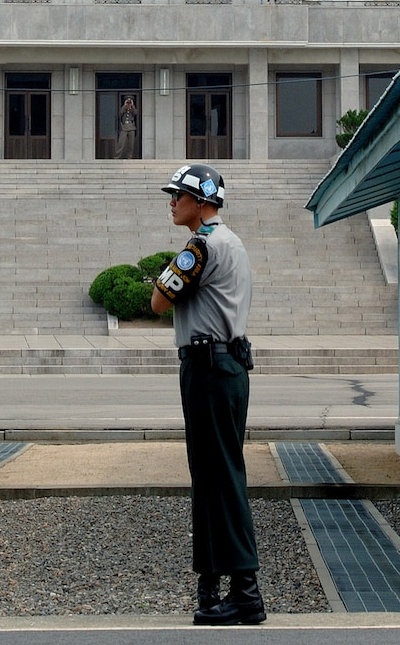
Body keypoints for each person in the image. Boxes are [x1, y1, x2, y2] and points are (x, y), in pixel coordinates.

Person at [149, 163, 263, 626]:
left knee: (219, 479)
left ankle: (245, 593)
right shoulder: (232, 242)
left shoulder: (201, 246)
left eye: (178, 195)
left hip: (209, 368)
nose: (172, 202)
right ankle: (216, 590)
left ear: (202, 201)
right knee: (218, 476)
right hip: (227, 366)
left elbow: (158, 301)